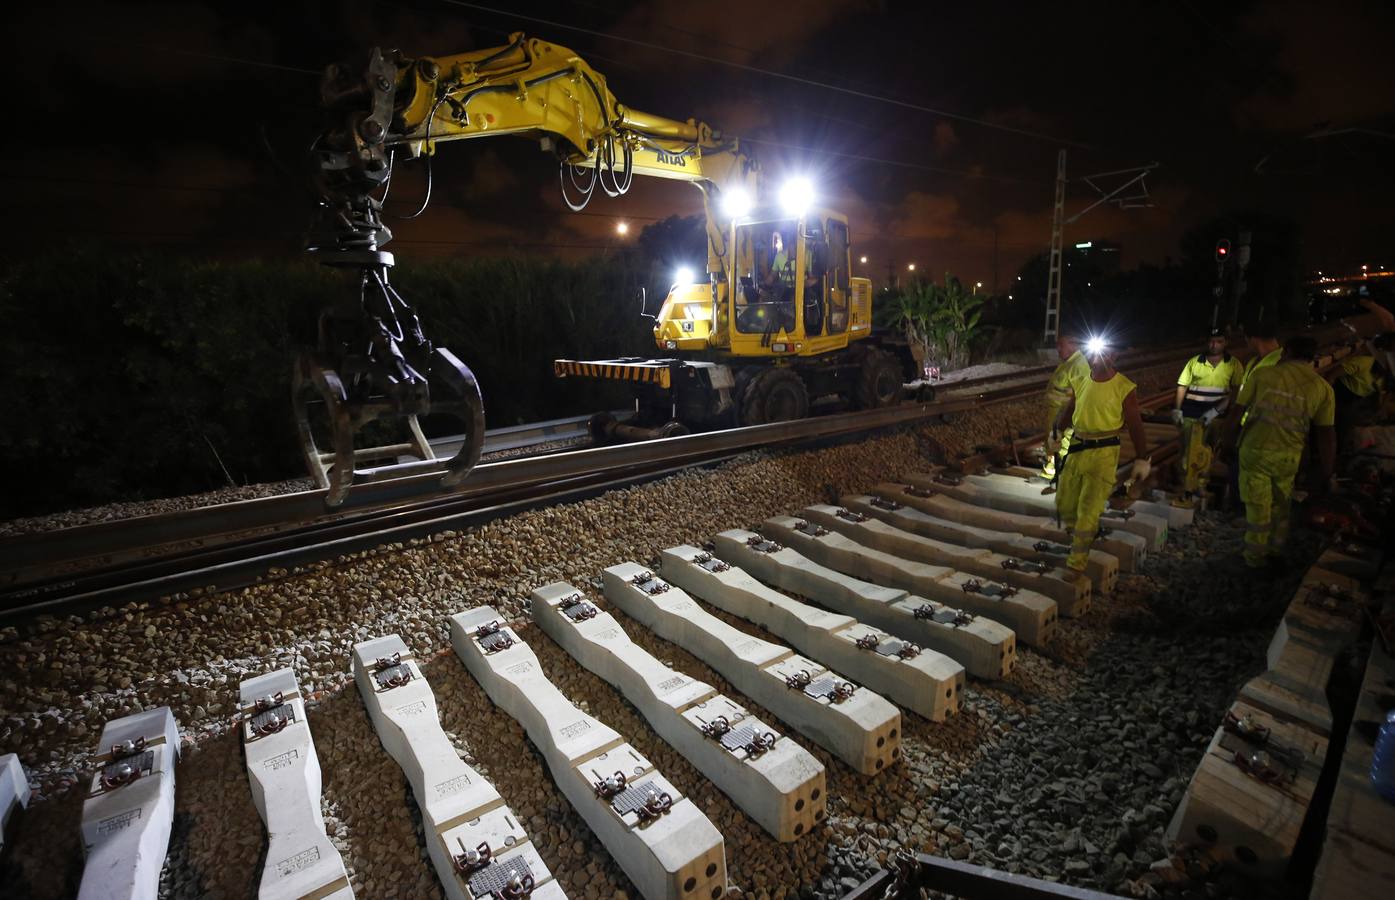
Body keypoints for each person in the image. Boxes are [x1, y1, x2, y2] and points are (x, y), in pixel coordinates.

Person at [1225, 335, 1336, 569]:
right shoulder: (1322, 388)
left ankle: (1255, 559)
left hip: (1256, 451)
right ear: (1311, 357)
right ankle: (1276, 549)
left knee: (1258, 507)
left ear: (1286, 352)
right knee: (1281, 504)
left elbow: (1237, 412)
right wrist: (1328, 471)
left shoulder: (1263, 375)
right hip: (1289, 456)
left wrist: (1226, 441)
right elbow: (1326, 434)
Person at [1049, 339, 1152, 574]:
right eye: (1094, 352)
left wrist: (1141, 458)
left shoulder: (1123, 387)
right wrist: (1056, 433)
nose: (1097, 357)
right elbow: (1072, 409)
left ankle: (1076, 564)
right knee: (1065, 503)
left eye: (1104, 353)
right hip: (1077, 448)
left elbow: (1136, 425)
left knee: (1088, 508)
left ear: (1114, 356)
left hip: (1104, 454)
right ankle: (1080, 538)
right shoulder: (1081, 379)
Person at [1170, 329, 1243, 507]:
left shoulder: (1233, 364)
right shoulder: (1195, 362)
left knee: (1208, 452)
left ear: (1225, 343)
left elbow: (1235, 392)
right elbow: (1182, 386)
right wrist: (1177, 409)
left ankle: (1201, 485)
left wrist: (1216, 412)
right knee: (1187, 450)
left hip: (1215, 416)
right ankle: (1185, 485)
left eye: (1218, 341)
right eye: (1211, 341)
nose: (1214, 345)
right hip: (1191, 413)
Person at [1040, 333, 1089, 481]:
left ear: (1073, 345)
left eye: (1061, 345)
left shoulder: (1078, 365)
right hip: (1057, 412)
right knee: (1054, 441)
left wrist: (1070, 416)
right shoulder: (1068, 362)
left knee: (1060, 442)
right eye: (1057, 345)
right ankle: (1053, 471)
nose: (1058, 349)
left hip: (1064, 413)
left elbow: (1081, 394)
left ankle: (1058, 474)